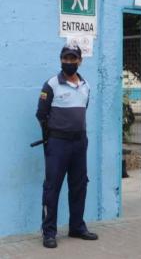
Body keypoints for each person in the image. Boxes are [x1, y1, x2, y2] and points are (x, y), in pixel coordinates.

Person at [36, 45, 98, 249]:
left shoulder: (85, 85)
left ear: (80, 61)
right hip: (58, 143)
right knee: (52, 187)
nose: (69, 62)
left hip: (79, 142)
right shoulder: (51, 85)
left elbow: (83, 109)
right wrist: (52, 137)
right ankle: (49, 232)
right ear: (61, 59)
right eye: (66, 58)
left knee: (79, 185)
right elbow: (41, 114)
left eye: (73, 59)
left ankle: (77, 227)